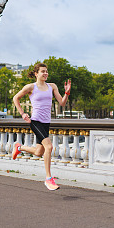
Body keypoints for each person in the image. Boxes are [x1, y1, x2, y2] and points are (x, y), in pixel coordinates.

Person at [12, 63, 71, 191]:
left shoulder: (52, 86)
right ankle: (49, 178)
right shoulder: (31, 87)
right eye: (43, 71)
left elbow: (62, 102)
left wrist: (67, 93)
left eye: (46, 71)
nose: (45, 73)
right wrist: (22, 113)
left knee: (39, 152)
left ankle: (19, 147)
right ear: (36, 73)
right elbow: (15, 98)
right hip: (35, 121)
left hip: (46, 123)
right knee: (49, 147)